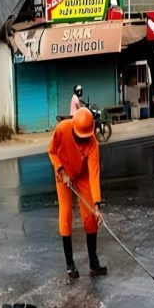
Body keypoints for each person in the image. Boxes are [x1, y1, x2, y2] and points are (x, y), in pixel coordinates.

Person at [49, 107, 105, 279]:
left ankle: (93, 263)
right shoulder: (62, 128)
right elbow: (51, 151)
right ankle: (70, 264)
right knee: (65, 215)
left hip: (82, 175)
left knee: (90, 216)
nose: (82, 141)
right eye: (79, 137)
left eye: (85, 137)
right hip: (62, 173)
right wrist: (61, 171)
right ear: (73, 127)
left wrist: (96, 204)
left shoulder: (93, 143)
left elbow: (94, 174)